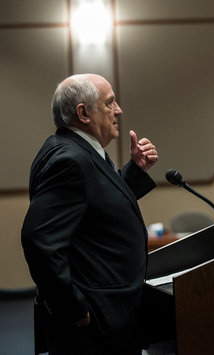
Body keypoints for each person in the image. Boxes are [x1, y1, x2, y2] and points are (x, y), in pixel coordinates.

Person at [21, 74, 159, 354]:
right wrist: (71, 308)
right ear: (83, 113)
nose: (118, 110)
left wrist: (134, 172)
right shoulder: (70, 161)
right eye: (109, 103)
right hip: (94, 324)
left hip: (105, 316)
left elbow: (96, 207)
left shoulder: (77, 151)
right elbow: (39, 241)